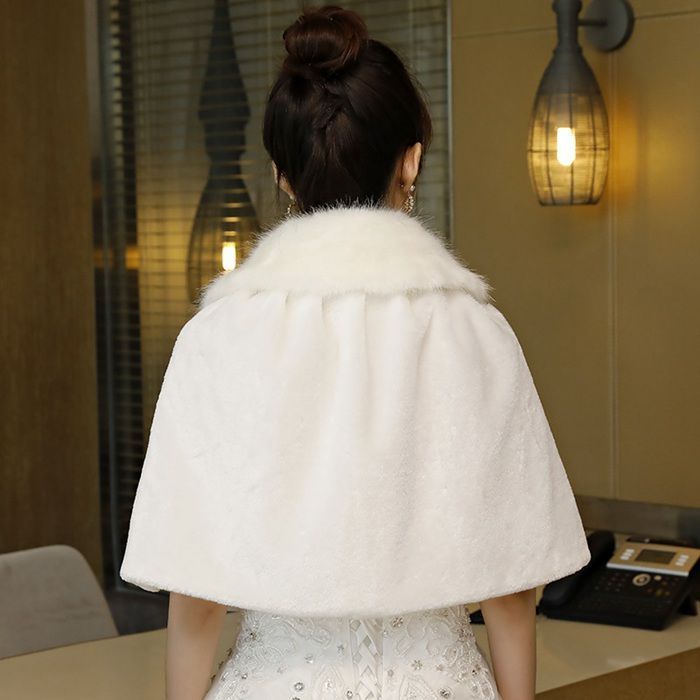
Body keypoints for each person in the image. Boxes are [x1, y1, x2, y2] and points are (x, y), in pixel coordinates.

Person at [119, 5, 591, 700]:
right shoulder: (476, 332)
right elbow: (512, 585)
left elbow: (196, 591)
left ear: (281, 175)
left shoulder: (216, 339)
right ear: (412, 160)